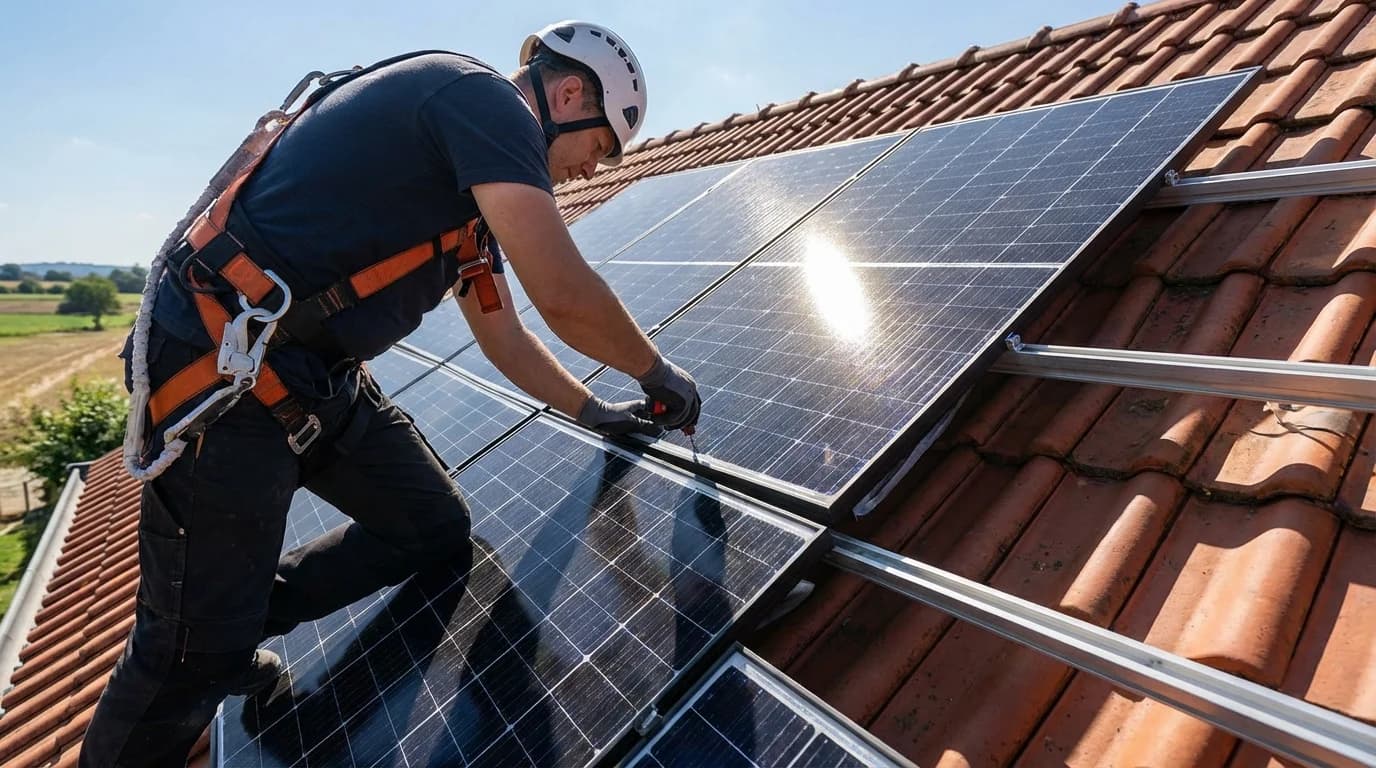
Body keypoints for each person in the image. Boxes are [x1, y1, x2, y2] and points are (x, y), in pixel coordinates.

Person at [81, 20, 700, 767]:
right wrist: (658, 375)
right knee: (181, 659)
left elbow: (506, 337)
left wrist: (595, 410)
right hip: (224, 372)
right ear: (568, 94)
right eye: (597, 147)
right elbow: (563, 294)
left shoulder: (467, 192)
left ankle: (225, 620)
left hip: (314, 379)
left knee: (430, 526)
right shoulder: (485, 104)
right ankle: (204, 640)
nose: (588, 172)